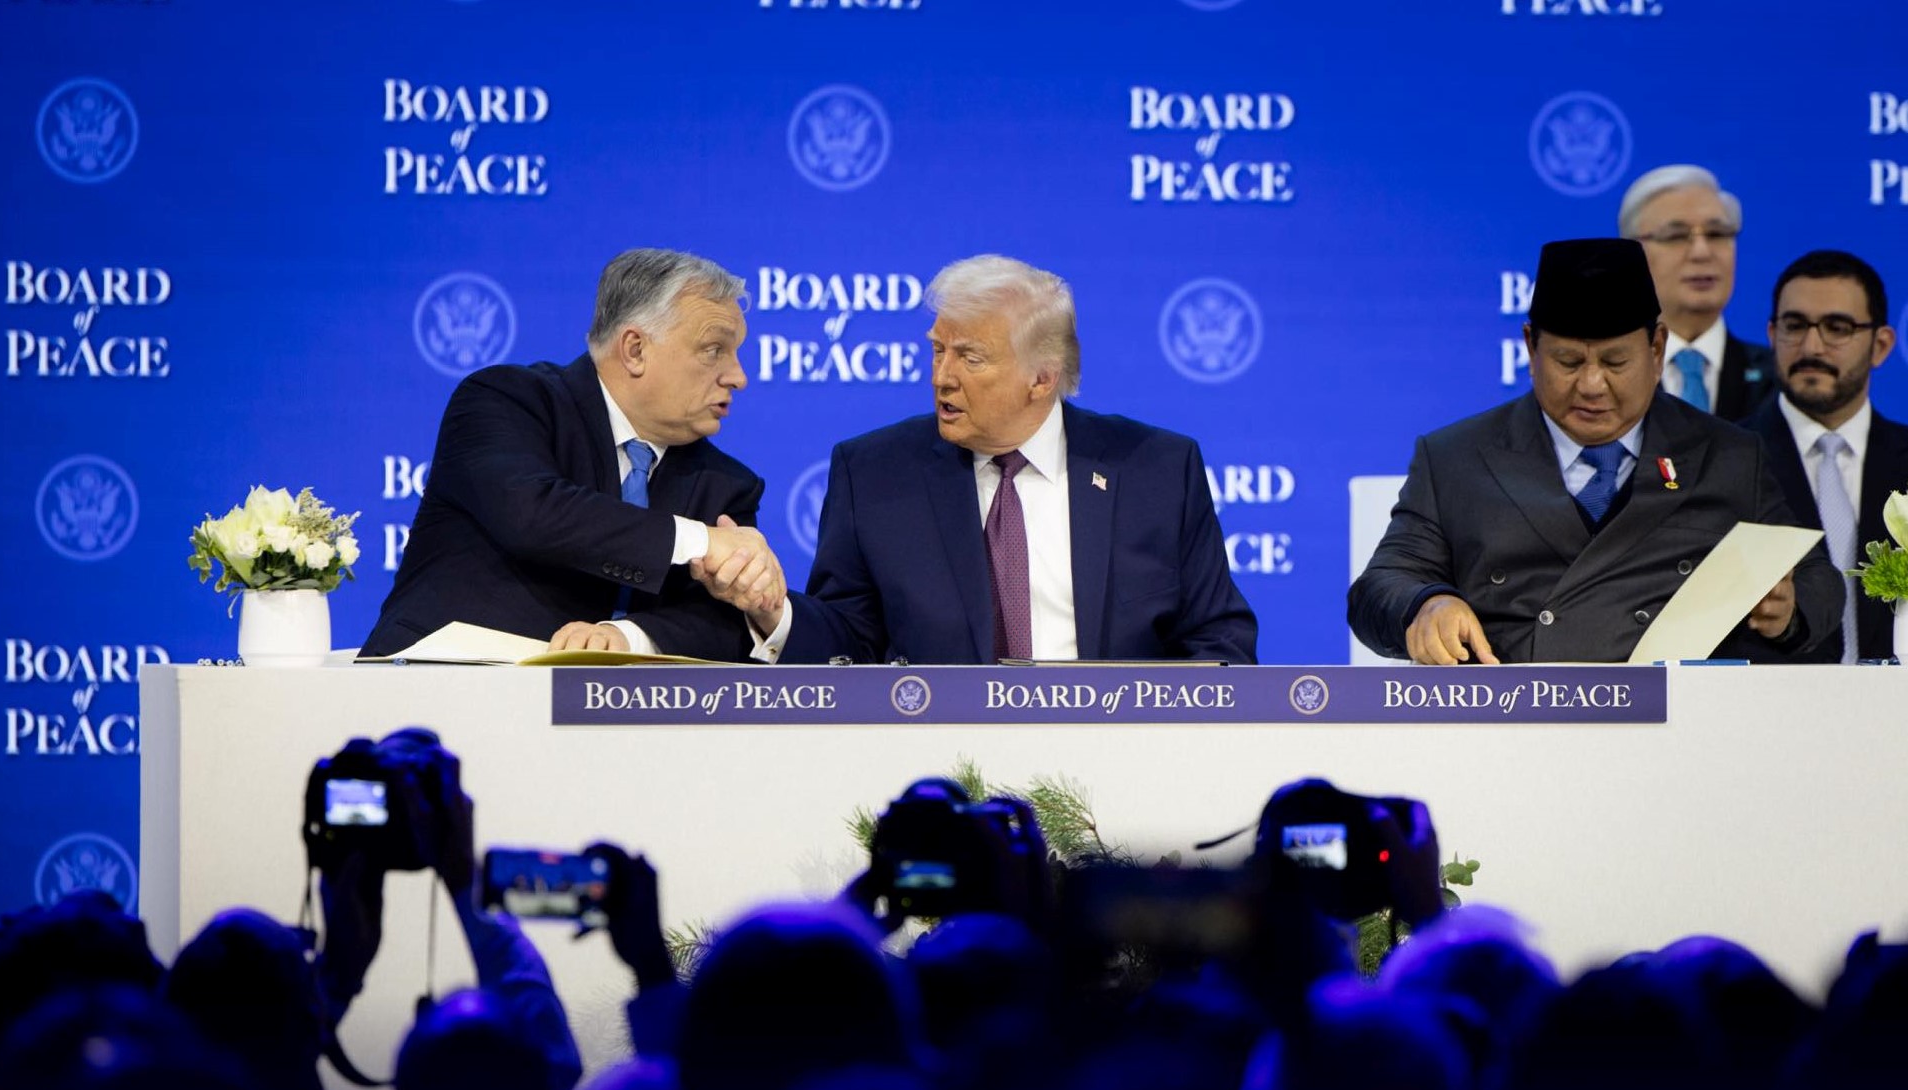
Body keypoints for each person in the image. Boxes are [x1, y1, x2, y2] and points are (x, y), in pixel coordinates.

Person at [698, 254, 1258, 664]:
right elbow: (848, 643)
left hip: (1113, 758)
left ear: (1042, 378)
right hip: (939, 760)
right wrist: (773, 612)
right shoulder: (873, 473)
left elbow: (1219, 641)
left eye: (970, 358)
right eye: (938, 350)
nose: (942, 376)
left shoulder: (1157, 470)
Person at [1349, 237, 1838, 664]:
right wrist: (1427, 604)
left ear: (1656, 349)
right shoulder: (1456, 458)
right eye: (1568, 361)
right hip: (1514, 721)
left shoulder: (1728, 456)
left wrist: (1788, 611)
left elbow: (1820, 581)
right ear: (1530, 348)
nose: (1591, 385)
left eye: (1615, 362)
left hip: (1679, 725)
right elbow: (1379, 587)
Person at [360, 249, 782, 660]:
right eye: (714, 350)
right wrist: (700, 540)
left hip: (598, 702)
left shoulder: (727, 484)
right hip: (435, 681)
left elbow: (724, 622)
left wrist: (627, 638)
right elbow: (532, 512)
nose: (739, 377)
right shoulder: (506, 399)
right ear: (635, 350)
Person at [1741, 251, 1902, 662]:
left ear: (1881, 345)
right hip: (1767, 698)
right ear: (1772, 334)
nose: (1812, 346)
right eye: (1795, 326)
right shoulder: (1724, 459)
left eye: (1837, 328)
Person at [1617, 165, 1776, 422]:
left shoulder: (1780, 380)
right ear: (1631, 254)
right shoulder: (1606, 380)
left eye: (1716, 234)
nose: (1702, 252)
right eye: (1676, 236)